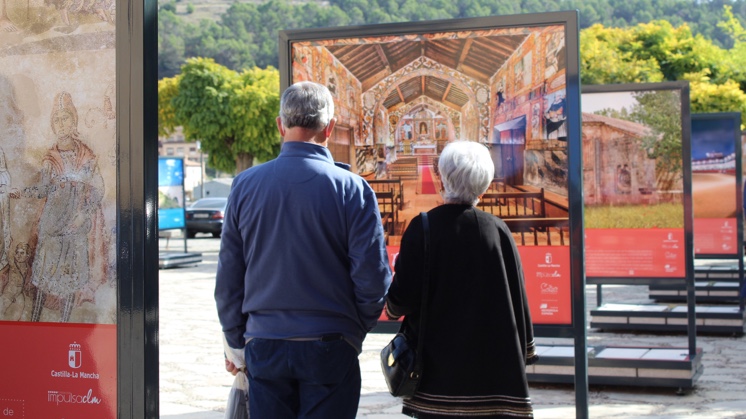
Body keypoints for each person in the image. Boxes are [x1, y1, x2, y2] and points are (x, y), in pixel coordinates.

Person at [215, 81, 392, 419]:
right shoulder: (352, 189)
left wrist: (238, 341)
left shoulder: (245, 186)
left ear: (281, 125)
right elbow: (373, 280)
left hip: (264, 345)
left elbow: (229, 278)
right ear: (329, 128)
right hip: (330, 345)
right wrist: (353, 332)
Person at [385, 140, 538, 418]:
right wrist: (525, 350)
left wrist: (392, 304)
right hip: (492, 374)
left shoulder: (423, 227)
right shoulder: (498, 230)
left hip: (436, 377)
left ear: (442, 177)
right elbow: (517, 295)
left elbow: (400, 301)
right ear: (485, 183)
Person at [27, 92, 108, 322]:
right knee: (44, 278)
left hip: (75, 227)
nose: (62, 124)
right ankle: (34, 324)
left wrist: (85, 214)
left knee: (71, 279)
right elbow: (43, 189)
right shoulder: (50, 158)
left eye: (66, 118)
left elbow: (98, 189)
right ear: (53, 125)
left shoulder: (87, 156)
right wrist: (22, 192)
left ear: (74, 121)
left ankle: (64, 326)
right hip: (52, 226)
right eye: (57, 120)